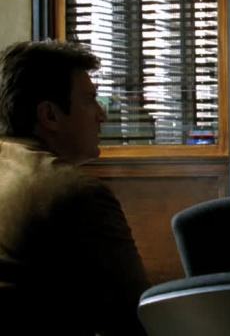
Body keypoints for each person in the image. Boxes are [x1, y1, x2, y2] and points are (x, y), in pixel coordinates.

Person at [0, 40, 149, 335]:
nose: (102, 114)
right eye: (90, 99)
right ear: (50, 115)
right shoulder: (77, 193)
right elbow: (140, 315)